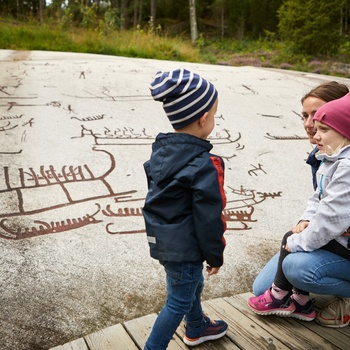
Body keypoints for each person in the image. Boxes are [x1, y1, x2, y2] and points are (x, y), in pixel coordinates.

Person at [252, 81, 350, 327]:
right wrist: (305, 222)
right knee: (262, 286)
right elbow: (319, 199)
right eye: (306, 116)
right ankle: (298, 298)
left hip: (341, 240)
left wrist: (299, 243)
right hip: (334, 236)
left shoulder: (345, 163)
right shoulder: (325, 154)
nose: (309, 125)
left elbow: (333, 215)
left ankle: (344, 296)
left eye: (318, 119)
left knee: (297, 268)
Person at [142, 68, 228, 349]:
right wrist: (215, 254)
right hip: (187, 244)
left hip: (166, 241)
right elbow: (209, 217)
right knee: (177, 299)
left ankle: (196, 326)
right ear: (203, 118)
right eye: (214, 114)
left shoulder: (162, 152)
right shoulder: (203, 163)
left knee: (190, 284)